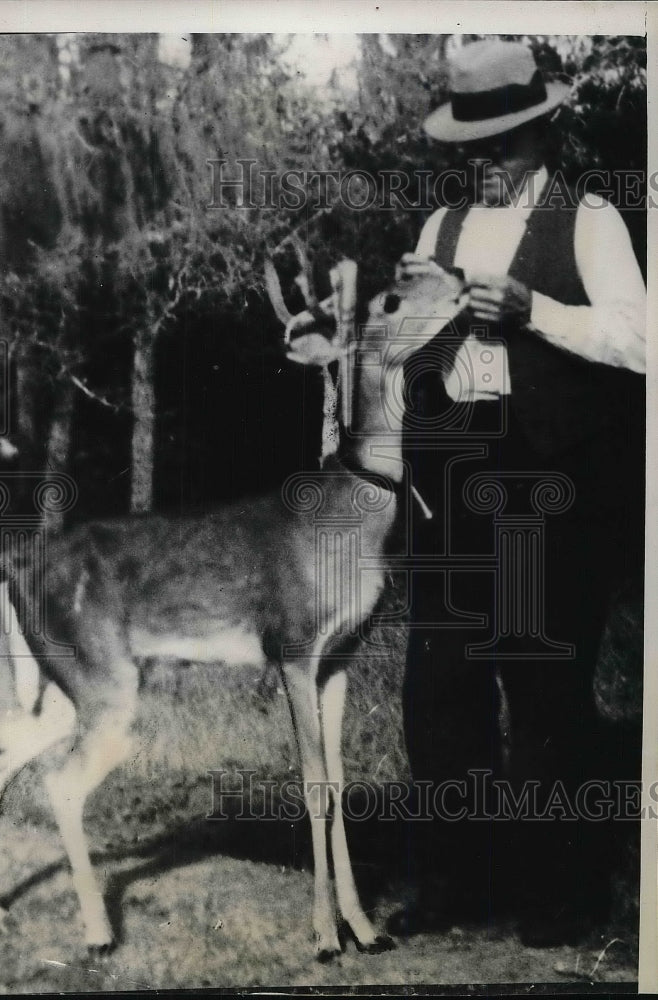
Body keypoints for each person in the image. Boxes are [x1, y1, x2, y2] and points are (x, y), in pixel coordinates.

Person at [389, 39, 646, 946]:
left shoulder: (591, 222)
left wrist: (534, 312)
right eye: (470, 146)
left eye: (500, 144)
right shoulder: (437, 231)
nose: (483, 162)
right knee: (440, 687)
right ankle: (453, 886)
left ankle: (558, 898)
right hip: (452, 477)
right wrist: (407, 330)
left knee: (544, 689)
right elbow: (399, 357)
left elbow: (641, 343)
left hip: (548, 481)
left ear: (541, 132)